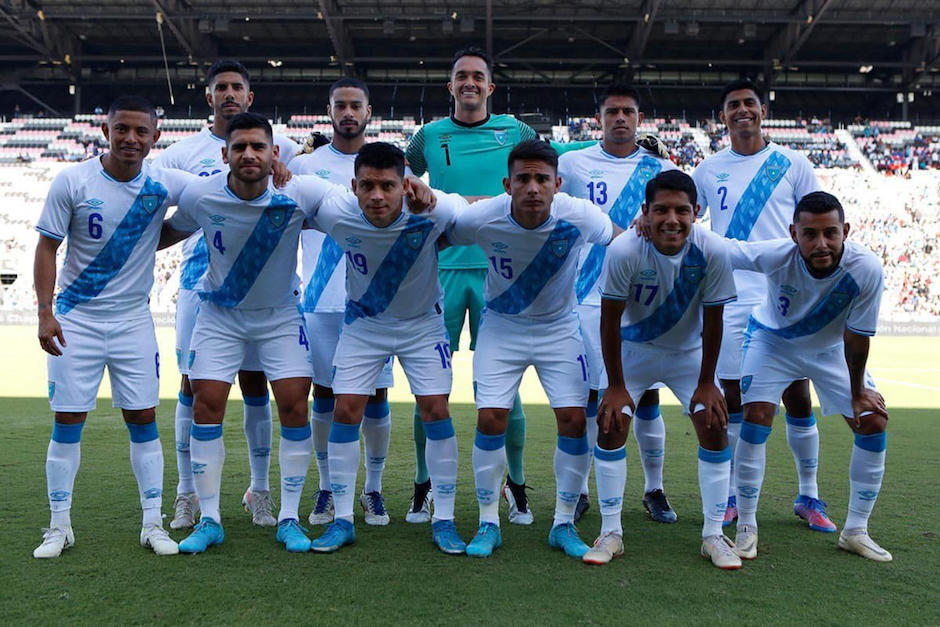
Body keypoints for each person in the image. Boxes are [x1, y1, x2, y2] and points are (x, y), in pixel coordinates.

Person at [159, 112, 349, 553]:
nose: (249, 154)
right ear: (224, 154)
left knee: (294, 406)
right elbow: (166, 231)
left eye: (258, 147)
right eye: (240, 147)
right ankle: (210, 519)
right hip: (220, 316)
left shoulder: (298, 193)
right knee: (206, 404)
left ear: (273, 154)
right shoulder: (202, 195)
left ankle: (287, 517)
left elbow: (352, 201)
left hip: (280, 315)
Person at [32, 96, 193, 558]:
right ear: (106, 130)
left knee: (143, 418)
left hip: (132, 321)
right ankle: (58, 526)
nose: (131, 139)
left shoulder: (164, 182)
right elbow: (46, 248)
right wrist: (45, 311)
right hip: (76, 319)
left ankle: (152, 524)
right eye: (122, 129)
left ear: (155, 137)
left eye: (141, 132)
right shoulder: (73, 180)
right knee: (67, 421)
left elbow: (215, 195)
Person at [448, 140, 615, 559]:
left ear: (558, 183)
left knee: (575, 420)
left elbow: (619, 239)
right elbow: (442, 232)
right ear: (508, 184)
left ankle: (562, 523)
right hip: (501, 328)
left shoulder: (579, 216)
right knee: (490, 418)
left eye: (542, 179)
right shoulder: (484, 218)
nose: (533, 188)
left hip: (560, 329)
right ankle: (489, 522)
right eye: (523, 178)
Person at [153, 58, 300, 530]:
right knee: (193, 386)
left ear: (250, 97)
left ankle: (259, 490)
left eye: (238, 86)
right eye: (222, 87)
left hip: (264, 284)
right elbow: (151, 198)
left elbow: (314, 170)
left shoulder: (287, 148)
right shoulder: (181, 153)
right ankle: (187, 493)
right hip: (203, 284)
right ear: (209, 95)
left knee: (257, 383)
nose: (230, 93)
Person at [306, 142, 468, 555]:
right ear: (353, 185)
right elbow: (287, 193)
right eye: (368, 186)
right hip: (365, 324)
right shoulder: (335, 210)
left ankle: (445, 519)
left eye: (387, 186)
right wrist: (279, 168)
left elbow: (465, 210)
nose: (377, 196)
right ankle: (343, 519)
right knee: (345, 409)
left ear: (406, 185)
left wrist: (431, 196)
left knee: (436, 408)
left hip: (422, 326)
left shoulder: (435, 210)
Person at [691, 78, 833, 532]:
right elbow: (685, 216)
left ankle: (809, 495)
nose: (742, 110)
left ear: (763, 110)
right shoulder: (709, 169)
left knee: (797, 394)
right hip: (731, 291)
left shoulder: (793, 163)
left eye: (749, 103)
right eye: (733, 105)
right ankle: (732, 494)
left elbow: (817, 222)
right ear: (723, 115)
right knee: (733, 396)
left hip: (783, 291)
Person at [727, 191, 890, 561]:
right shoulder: (776, 254)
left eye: (830, 233)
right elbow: (727, 251)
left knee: (873, 421)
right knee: (756, 419)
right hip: (772, 342)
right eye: (810, 234)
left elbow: (858, 336)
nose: (821, 244)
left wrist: (857, 390)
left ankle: (856, 530)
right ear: (793, 233)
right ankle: (747, 526)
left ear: (845, 231)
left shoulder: (866, 268)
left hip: (829, 349)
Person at [595, 170, 740, 569]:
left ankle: (713, 534)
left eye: (681, 210)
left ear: (697, 212)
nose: (671, 219)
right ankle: (611, 532)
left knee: (713, 423)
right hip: (633, 351)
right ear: (645, 211)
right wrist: (616, 385)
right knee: (611, 422)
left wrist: (708, 383)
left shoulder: (712, 250)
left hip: (687, 354)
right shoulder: (625, 250)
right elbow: (609, 321)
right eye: (661, 210)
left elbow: (714, 320)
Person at [558, 84, 678, 523]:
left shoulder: (660, 167)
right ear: (600, 118)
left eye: (628, 111)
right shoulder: (573, 164)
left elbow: (680, 220)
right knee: (594, 395)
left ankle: (654, 489)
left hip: (645, 297)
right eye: (612, 112)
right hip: (587, 295)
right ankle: (585, 488)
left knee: (646, 399)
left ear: (639, 118)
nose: (621, 118)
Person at [291, 77, 395, 527]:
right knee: (325, 396)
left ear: (369, 112)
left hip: (373, 304)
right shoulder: (305, 164)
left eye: (356, 105)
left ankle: (373, 489)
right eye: (341, 105)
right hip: (320, 299)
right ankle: (328, 488)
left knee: (375, 396)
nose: (348, 113)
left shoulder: (391, 165)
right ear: (329, 111)